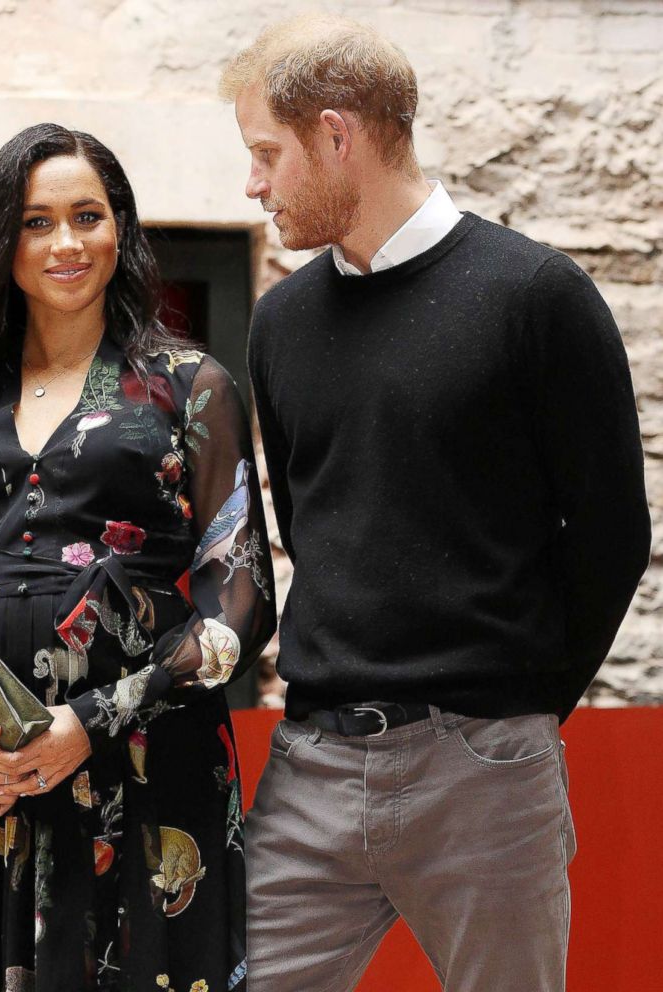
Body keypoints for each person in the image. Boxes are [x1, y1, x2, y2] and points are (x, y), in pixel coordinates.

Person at [220, 14, 651, 992]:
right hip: (314, 758)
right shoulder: (281, 321)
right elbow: (310, 522)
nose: (253, 184)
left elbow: (612, 536)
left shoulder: (535, 295)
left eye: (265, 154)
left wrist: (514, 705)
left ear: (337, 135)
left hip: (484, 763)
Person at [0, 122, 275, 992]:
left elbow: (238, 608)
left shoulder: (187, 385)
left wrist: (91, 720)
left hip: (144, 772)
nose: (65, 243)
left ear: (119, 229)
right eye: (35, 221)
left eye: (87, 216)